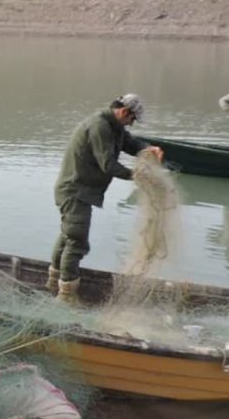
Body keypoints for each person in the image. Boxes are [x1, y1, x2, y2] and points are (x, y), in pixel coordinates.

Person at [50, 95, 164, 304]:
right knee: (76, 241)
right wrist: (138, 176)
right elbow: (108, 165)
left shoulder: (114, 127)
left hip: (81, 191)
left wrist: (149, 149)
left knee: (68, 236)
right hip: (74, 191)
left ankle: (52, 281)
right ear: (124, 112)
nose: (132, 123)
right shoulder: (99, 127)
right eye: (132, 119)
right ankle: (66, 295)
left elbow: (130, 144)